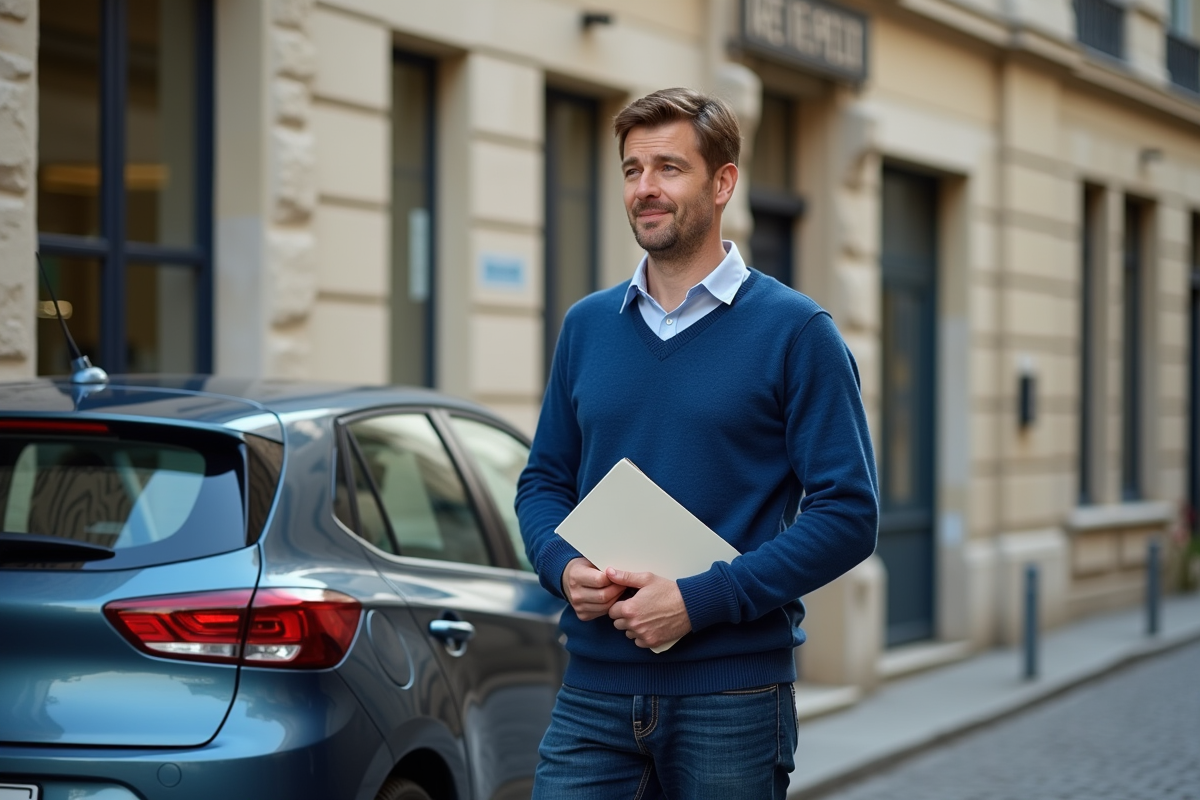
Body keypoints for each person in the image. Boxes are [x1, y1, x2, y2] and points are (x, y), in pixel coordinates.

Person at [515, 87, 879, 800]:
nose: (645, 188)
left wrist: (701, 599)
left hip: (733, 697)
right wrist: (562, 566)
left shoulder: (797, 333)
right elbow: (542, 483)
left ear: (722, 183)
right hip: (593, 688)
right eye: (631, 170)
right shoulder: (586, 327)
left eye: (667, 168)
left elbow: (848, 516)